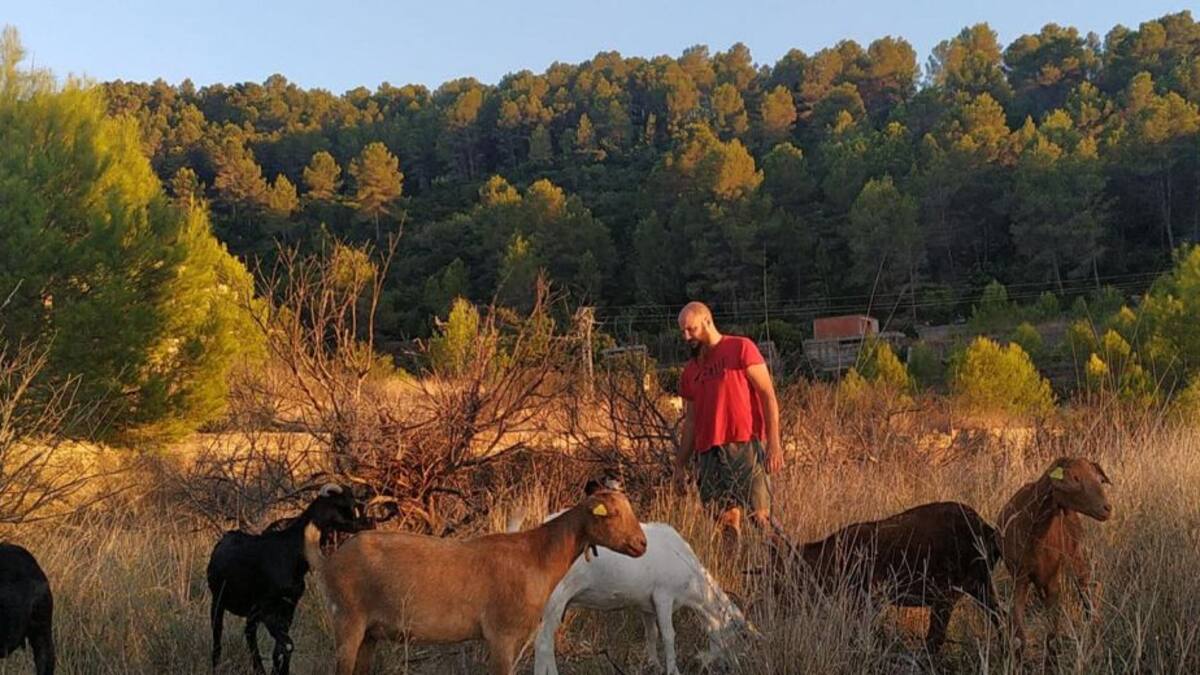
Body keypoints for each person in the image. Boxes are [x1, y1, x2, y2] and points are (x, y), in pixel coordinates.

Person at [673, 301, 783, 541]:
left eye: (691, 329)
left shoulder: (741, 348)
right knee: (724, 522)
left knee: (761, 517)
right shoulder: (690, 371)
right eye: (682, 331)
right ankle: (732, 574)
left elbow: (768, 395)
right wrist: (680, 464)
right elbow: (690, 422)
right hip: (708, 452)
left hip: (743, 444)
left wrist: (774, 443)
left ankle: (786, 568)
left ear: (707, 322)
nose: (686, 336)